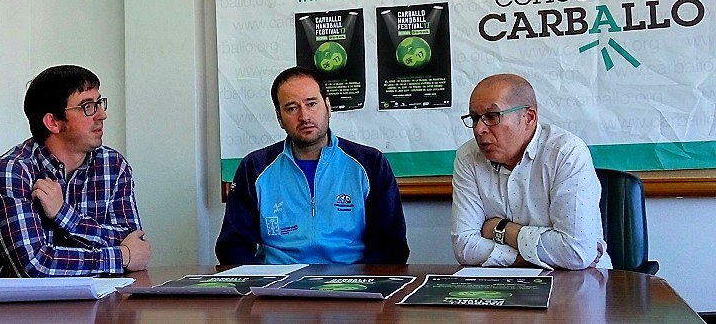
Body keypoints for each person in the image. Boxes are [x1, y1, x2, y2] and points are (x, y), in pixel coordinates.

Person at [216, 66, 409, 264]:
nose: (304, 116)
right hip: (278, 286)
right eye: (292, 108)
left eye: (311, 104)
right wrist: (263, 282)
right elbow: (233, 245)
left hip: (350, 284)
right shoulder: (254, 168)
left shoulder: (370, 164)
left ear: (328, 106)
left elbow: (391, 246)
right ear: (279, 118)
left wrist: (358, 285)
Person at [0, 65, 151, 277]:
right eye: (88, 106)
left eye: (99, 103)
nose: (102, 115)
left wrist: (64, 215)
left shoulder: (113, 165)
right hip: (15, 307)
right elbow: (35, 266)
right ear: (53, 122)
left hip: (94, 302)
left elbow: (132, 240)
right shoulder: (13, 171)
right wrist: (121, 257)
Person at [451, 73, 611, 270]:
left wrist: (499, 229)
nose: (479, 129)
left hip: (580, 283)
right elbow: (464, 247)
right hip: (502, 285)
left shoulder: (566, 152)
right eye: (475, 118)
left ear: (528, 117)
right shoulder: (468, 157)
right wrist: (534, 259)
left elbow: (574, 253)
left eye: (492, 116)